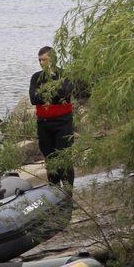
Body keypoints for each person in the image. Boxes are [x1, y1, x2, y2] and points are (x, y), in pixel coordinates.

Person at [30, 46, 76, 189]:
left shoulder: (64, 74)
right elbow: (34, 98)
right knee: (50, 160)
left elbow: (64, 93)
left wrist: (47, 92)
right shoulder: (36, 77)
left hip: (63, 123)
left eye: (44, 60)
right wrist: (51, 92)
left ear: (53, 59)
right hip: (44, 124)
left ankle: (68, 194)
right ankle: (55, 192)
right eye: (39, 60)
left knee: (63, 159)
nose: (41, 63)